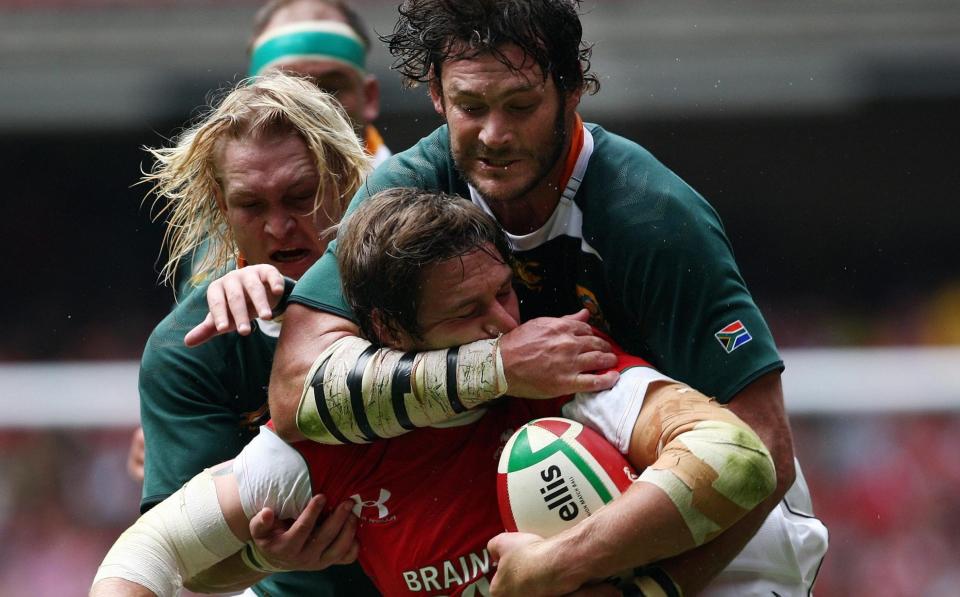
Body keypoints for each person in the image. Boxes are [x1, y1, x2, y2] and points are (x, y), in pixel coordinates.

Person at [198, 1, 815, 594]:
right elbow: (298, 387)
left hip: (718, 530)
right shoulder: (403, 194)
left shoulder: (650, 216)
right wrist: (498, 369)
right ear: (436, 95)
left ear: (572, 92)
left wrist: (636, 588)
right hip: (535, 525)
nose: (494, 134)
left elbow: (763, 450)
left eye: (521, 105)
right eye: (470, 106)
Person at [92, 189, 787, 597]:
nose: (506, 326)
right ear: (390, 330)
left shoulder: (565, 373)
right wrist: (260, 556)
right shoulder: (326, 446)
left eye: (505, 292)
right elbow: (143, 557)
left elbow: (739, 456)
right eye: (468, 312)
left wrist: (559, 565)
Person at [135, 72, 378, 596]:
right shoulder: (189, 348)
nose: (278, 226)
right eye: (251, 205)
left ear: (347, 179)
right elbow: (182, 566)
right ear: (223, 208)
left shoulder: (418, 283)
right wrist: (259, 556)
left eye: (300, 196)